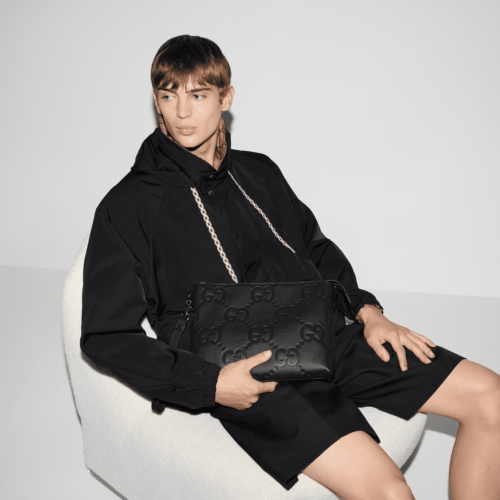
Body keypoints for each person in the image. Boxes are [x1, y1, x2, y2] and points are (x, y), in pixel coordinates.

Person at [80, 34, 500, 499]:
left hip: (321, 332)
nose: (182, 112)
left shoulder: (258, 171)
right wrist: (211, 384)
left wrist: (368, 312)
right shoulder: (128, 206)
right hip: (246, 371)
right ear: (156, 101)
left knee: (491, 397)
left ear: (226, 98)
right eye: (168, 95)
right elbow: (105, 337)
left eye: (198, 95)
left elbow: (315, 249)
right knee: (388, 491)